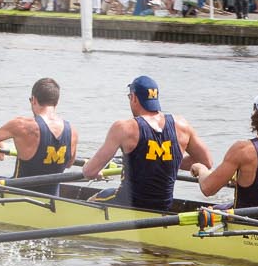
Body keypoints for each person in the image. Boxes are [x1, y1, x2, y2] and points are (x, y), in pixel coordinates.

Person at [79, 75, 213, 211]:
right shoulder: (182, 125)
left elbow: (89, 172)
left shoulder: (124, 128)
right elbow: (206, 162)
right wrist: (165, 161)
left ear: (133, 97)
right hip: (163, 207)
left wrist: (91, 169)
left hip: (128, 204)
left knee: (90, 201)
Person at [0, 76, 76, 179]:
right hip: (52, 194)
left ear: (34, 100)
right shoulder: (72, 131)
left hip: (17, 192)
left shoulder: (21, 125)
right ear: (56, 102)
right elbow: (68, 164)